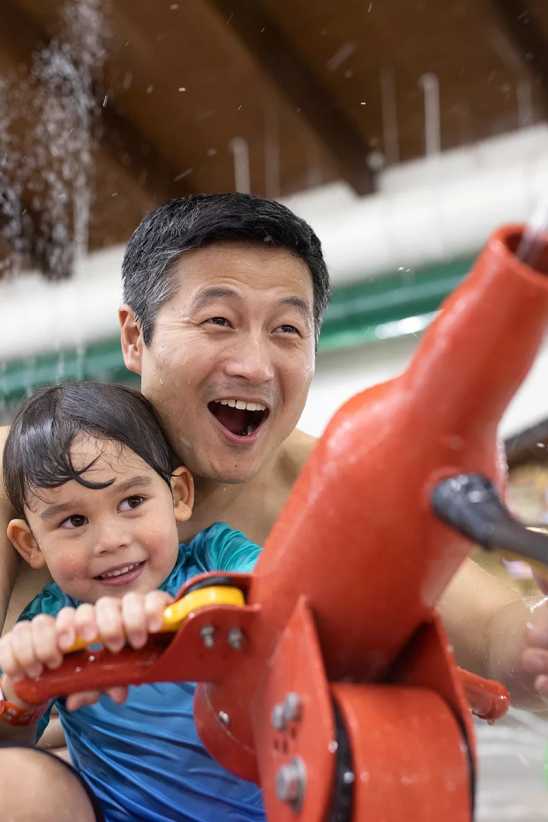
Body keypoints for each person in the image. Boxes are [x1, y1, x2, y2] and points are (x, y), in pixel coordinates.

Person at [1, 193, 548, 810]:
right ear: (135, 337)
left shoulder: (330, 487)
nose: (254, 365)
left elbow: (496, 632)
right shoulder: (21, 475)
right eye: (218, 321)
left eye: (287, 330)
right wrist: (29, 690)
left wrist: (532, 643)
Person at [0, 381, 265, 821]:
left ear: (179, 496)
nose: (110, 540)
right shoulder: (50, 625)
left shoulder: (217, 557)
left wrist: (179, 616)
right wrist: (18, 698)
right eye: (74, 520)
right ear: (30, 544)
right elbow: (11, 744)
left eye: (132, 501)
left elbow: (281, 593)